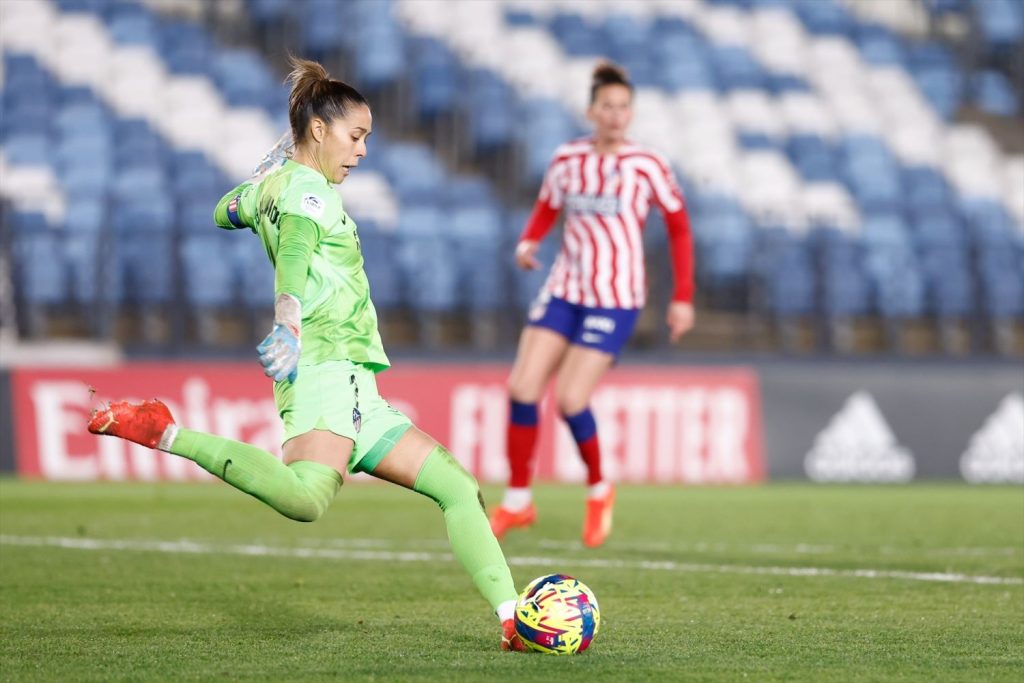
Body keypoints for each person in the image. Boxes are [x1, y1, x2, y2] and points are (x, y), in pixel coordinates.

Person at [87, 57, 526, 652]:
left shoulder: (274, 186)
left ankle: (512, 617)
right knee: (306, 500)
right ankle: (166, 433)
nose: (363, 150)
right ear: (319, 130)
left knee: (456, 487)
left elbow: (224, 211)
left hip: (354, 383)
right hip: (321, 364)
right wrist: (288, 322)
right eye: (356, 135)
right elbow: (294, 249)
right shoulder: (308, 190)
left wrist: (266, 171)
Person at [489, 61, 696, 548]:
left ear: (631, 113)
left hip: (616, 297)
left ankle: (600, 488)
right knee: (521, 388)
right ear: (591, 110)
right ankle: (518, 500)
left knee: (569, 400)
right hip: (565, 289)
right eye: (608, 106)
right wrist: (529, 241)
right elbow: (548, 206)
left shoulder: (648, 164)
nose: (617, 114)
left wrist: (683, 297)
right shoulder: (567, 159)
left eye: (624, 107)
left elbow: (680, 226)